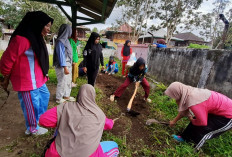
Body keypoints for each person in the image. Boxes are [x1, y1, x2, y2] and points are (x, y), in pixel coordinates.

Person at [0, 11, 53, 135]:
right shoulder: (22, 39)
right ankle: (32, 128)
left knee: (45, 96)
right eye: (47, 26)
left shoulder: (36, 37)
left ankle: (37, 120)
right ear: (37, 23)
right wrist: (6, 77)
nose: (48, 29)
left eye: (49, 26)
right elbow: (6, 61)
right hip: (27, 80)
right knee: (32, 105)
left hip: (38, 78)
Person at [39, 84, 119, 157]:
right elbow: (109, 125)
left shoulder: (65, 107)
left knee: (58, 128)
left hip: (57, 154)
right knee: (114, 146)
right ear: (93, 96)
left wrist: (64, 121)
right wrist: (112, 121)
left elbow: (43, 120)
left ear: (78, 95)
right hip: (89, 155)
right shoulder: (100, 115)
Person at [164, 82, 232, 150]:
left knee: (204, 129)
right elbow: (184, 110)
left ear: (178, 93)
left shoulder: (194, 101)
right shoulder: (187, 92)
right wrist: (174, 121)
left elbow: (203, 122)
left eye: (174, 97)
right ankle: (184, 138)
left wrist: (193, 121)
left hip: (228, 115)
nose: (175, 99)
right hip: (219, 109)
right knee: (195, 120)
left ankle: (194, 149)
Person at [53, 24, 75, 104]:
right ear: (66, 31)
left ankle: (66, 95)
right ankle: (59, 98)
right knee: (62, 81)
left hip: (68, 65)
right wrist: (65, 67)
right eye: (69, 30)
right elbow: (61, 55)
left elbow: (69, 53)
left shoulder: (66, 41)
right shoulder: (60, 41)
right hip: (62, 66)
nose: (70, 32)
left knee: (68, 81)